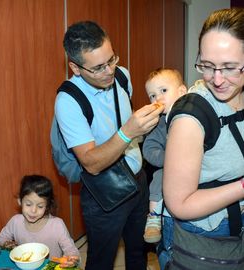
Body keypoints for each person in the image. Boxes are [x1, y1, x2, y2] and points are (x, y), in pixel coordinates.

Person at [55, 21, 163, 270]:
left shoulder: (122, 74)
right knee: (101, 260)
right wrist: (127, 133)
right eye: (98, 68)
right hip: (103, 194)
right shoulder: (67, 101)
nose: (109, 71)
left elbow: (126, 116)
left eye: (111, 59)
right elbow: (91, 163)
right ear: (76, 67)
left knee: (139, 252)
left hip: (139, 180)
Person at [159, 7, 244, 270]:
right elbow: (179, 204)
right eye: (207, 66)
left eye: (229, 68)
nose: (217, 80)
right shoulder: (191, 117)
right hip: (208, 238)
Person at [142, 68, 187, 243]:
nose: (158, 98)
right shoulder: (158, 123)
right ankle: (153, 217)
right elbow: (149, 148)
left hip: (197, 166)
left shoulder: (194, 112)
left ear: (182, 91)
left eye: (163, 91)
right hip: (170, 168)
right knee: (158, 177)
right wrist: (169, 158)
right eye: (152, 95)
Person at [0, 175, 80, 267]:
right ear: (20, 201)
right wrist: (7, 244)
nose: (33, 211)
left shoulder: (57, 225)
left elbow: (71, 250)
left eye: (40, 206)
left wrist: (72, 259)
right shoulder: (15, 221)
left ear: (47, 206)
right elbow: (1, 238)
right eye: (28, 204)